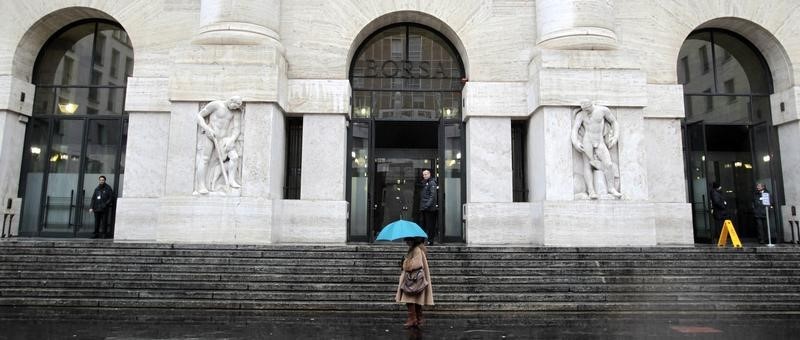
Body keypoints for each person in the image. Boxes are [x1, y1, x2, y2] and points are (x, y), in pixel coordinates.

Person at [571, 100, 622, 199]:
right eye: (584, 109)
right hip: (587, 141)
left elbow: (614, 122)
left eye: (588, 109)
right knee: (587, 165)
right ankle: (591, 191)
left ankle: (611, 188)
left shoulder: (603, 110)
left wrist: (615, 136)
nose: (586, 111)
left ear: (591, 105)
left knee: (608, 164)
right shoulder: (581, 115)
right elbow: (575, 128)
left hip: (600, 141)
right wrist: (576, 142)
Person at [195, 96, 242, 194]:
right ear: (230, 100)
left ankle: (231, 181)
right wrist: (207, 129)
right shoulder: (216, 105)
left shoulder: (236, 111)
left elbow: (237, 129)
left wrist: (232, 140)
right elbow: (199, 116)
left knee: (234, 157)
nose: (234, 109)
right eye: (234, 106)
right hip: (211, 136)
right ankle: (201, 186)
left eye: (236, 107)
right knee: (205, 159)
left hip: (224, 139)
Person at [395, 237, 433, 328]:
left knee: (409, 299)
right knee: (415, 300)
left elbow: (417, 264)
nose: (407, 242)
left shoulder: (416, 249)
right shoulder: (416, 248)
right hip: (414, 280)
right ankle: (418, 319)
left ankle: (413, 319)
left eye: (408, 240)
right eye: (406, 241)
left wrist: (405, 262)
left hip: (413, 280)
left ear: (413, 240)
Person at [418, 169, 438, 245]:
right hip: (423, 208)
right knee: (423, 225)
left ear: (429, 174)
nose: (425, 176)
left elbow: (432, 196)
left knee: (430, 225)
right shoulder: (424, 183)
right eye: (423, 174)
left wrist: (427, 205)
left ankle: (430, 240)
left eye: (426, 174)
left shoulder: (432, 183)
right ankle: (422, 240)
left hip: (430, 209)